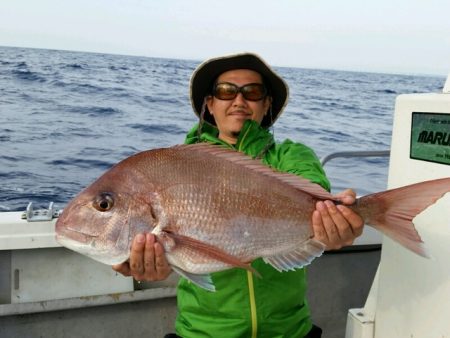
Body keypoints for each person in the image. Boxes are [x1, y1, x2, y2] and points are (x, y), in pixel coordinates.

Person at [113, 52, 364, 338]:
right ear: (209, 103)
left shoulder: (292, 155)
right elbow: (169, 255)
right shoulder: (177, 165)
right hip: (202, 333)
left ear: (267, 103)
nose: (239, 101)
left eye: (252, 92)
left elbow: (313, 193)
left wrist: (334, 224)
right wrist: (142, 265)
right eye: (225, 91)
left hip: (289, 331)